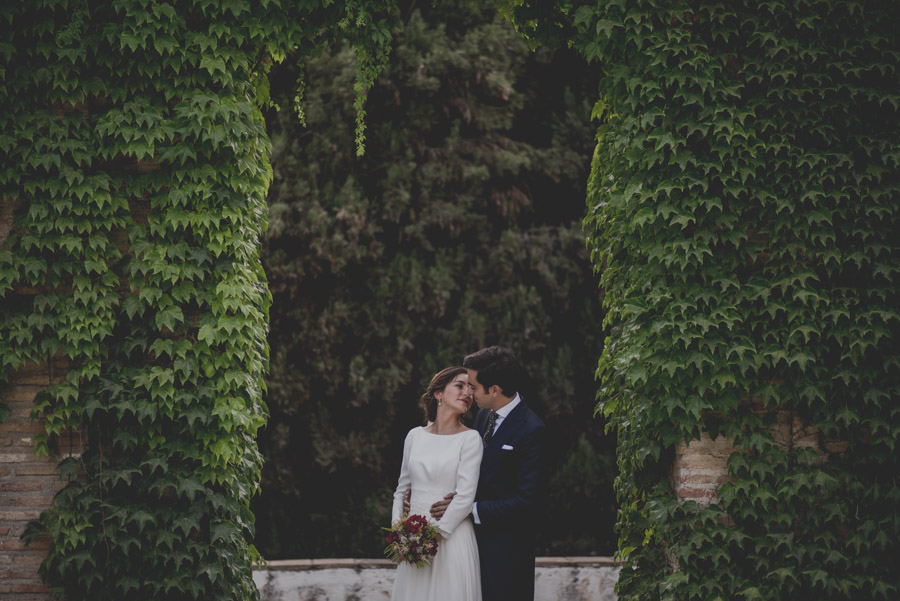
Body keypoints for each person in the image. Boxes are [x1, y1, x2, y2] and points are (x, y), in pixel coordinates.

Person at [429, 346, 545, 601]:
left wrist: (471, 509)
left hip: (506, 556)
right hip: (469, 548)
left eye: (472, 386)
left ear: (494, 390)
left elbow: (527, 502)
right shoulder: (483, 417)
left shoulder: (532, 430)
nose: (468, 392)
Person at [390, 366, 484, 601]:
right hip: (412, 542)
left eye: (470, 388)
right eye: (459, 385)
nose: (467, 393)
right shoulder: (414, 436)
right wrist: (400, 534)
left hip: (450, 540)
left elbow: (465, 496)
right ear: (439, 394)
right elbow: (401, 491)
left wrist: (432, 536)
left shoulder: (470, 439)